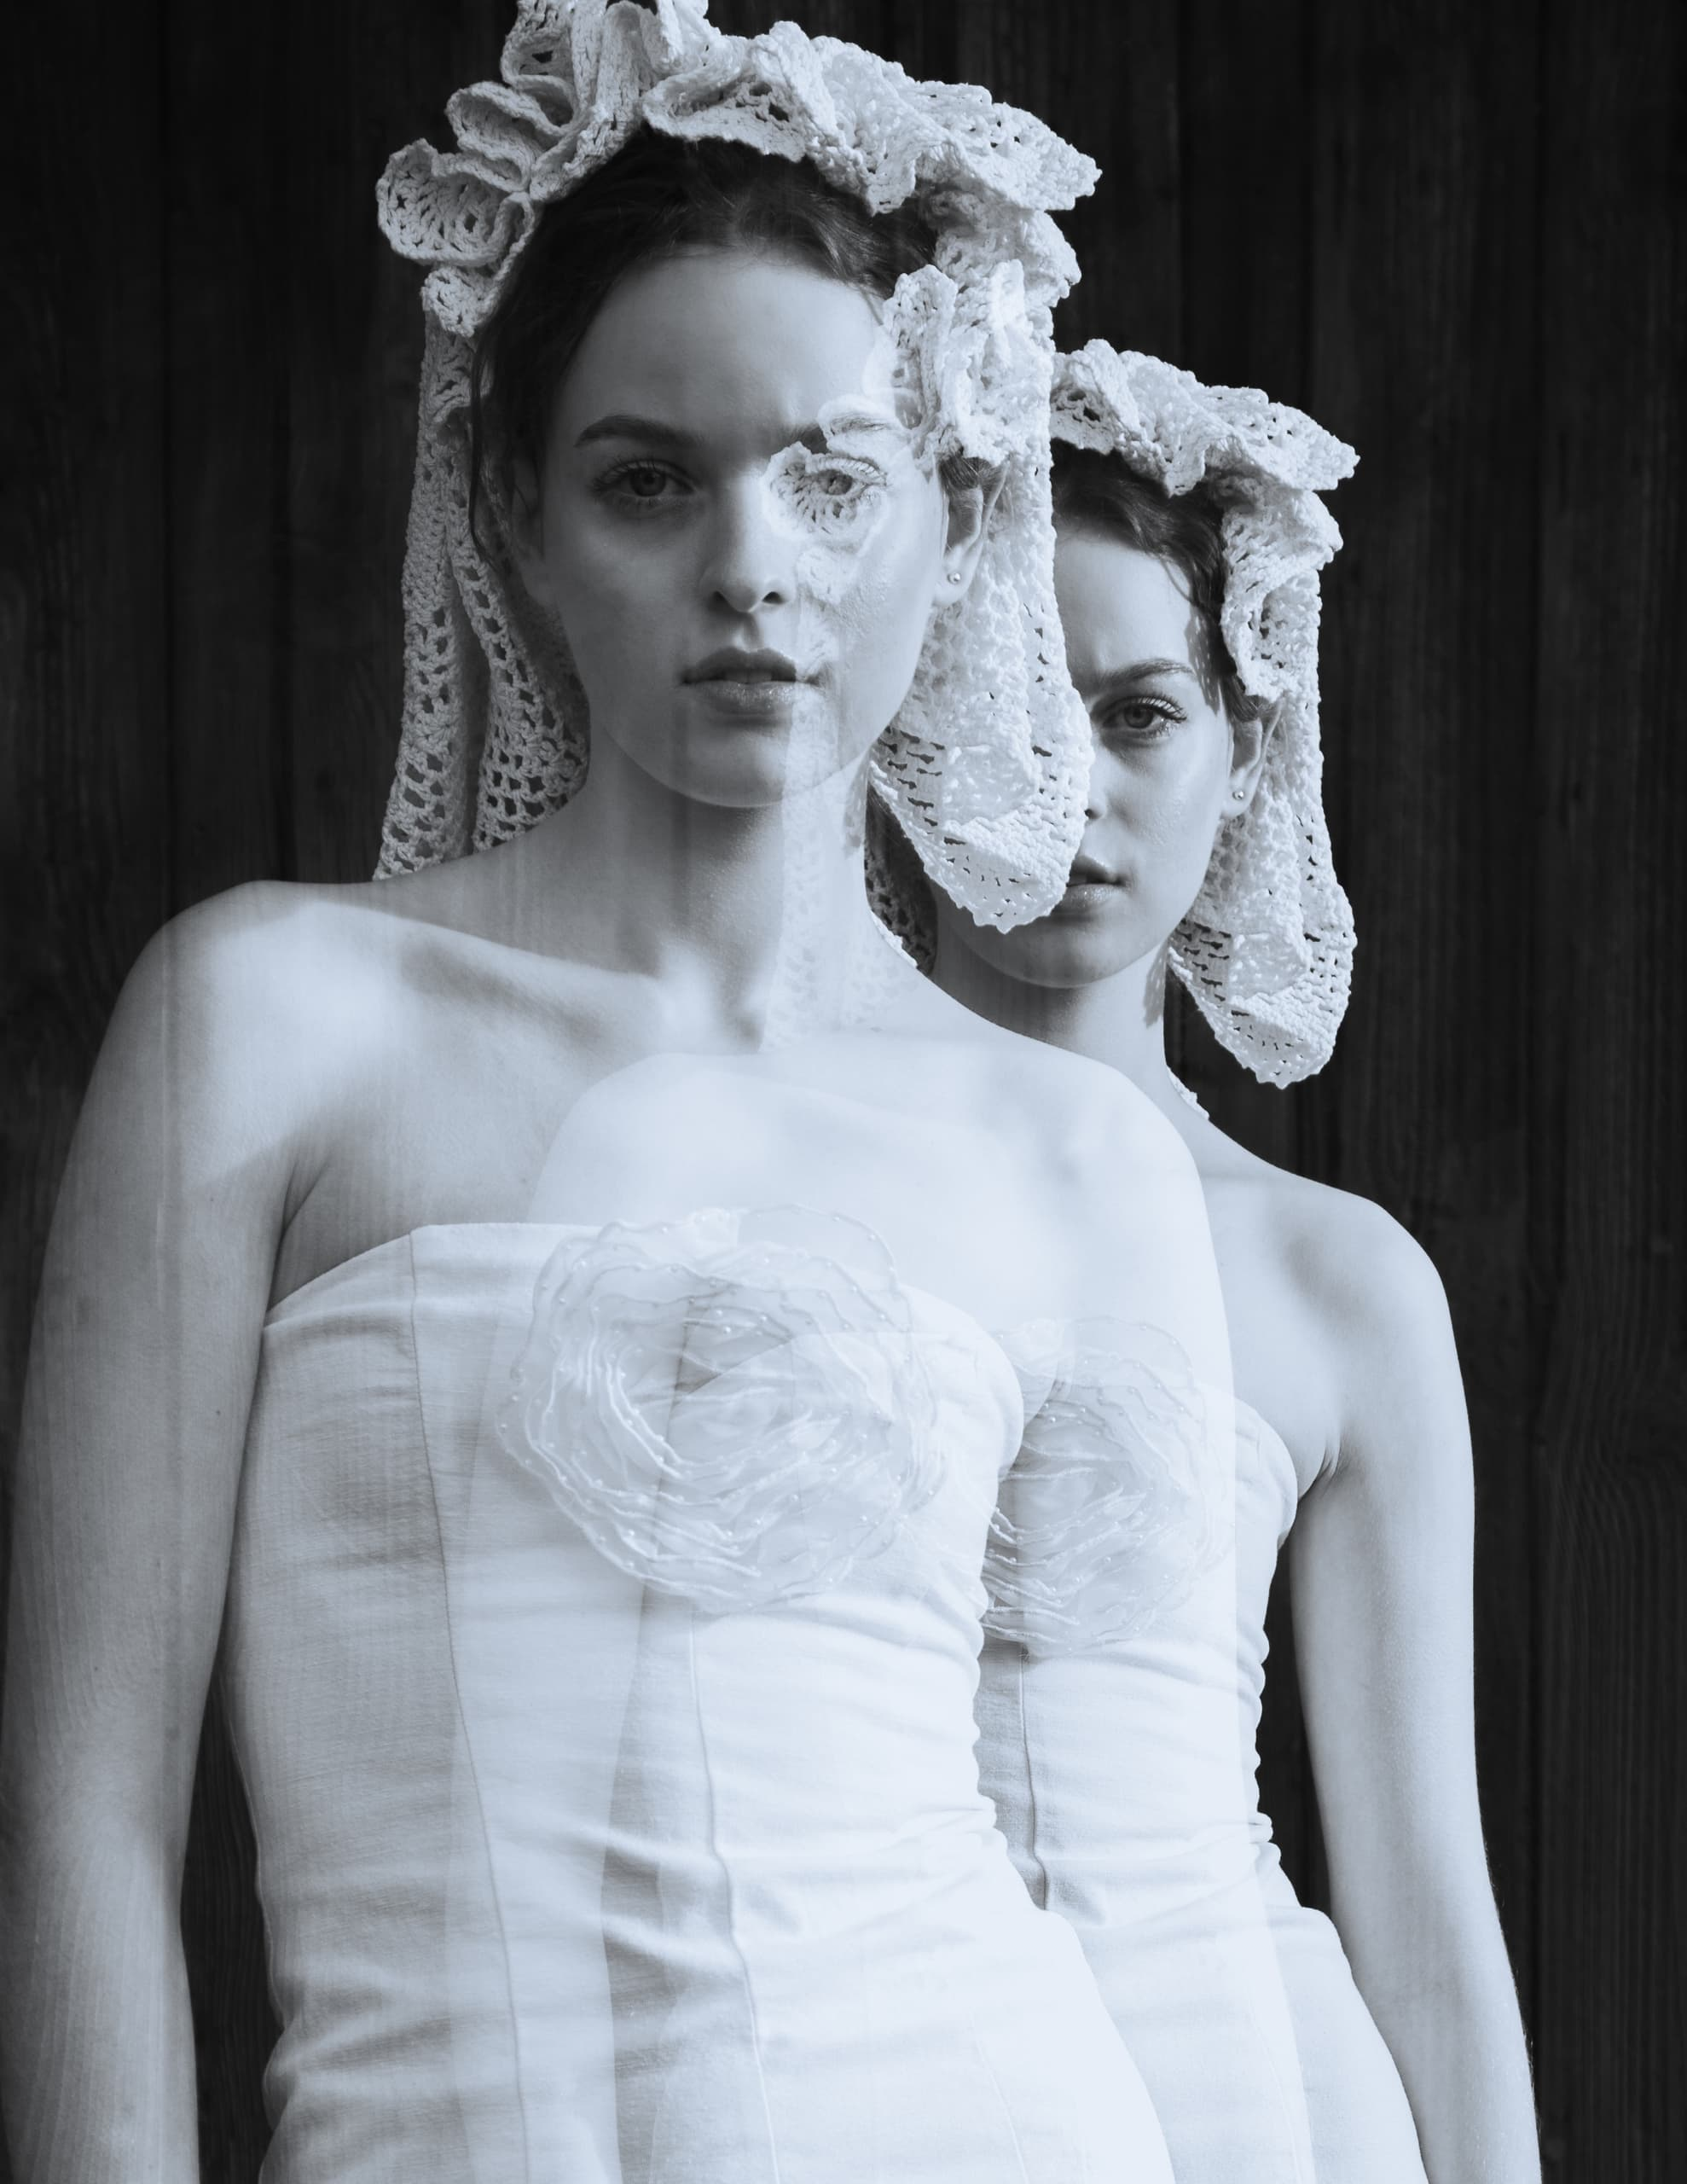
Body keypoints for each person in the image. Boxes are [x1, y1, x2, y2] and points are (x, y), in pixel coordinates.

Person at [0, 12, 1223, 2183]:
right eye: (652, 475)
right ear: (517, 516)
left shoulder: (1069, 1157)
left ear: (954, 523)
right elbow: (89, 1806)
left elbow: (1159, 1898)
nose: (754, 565)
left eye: (832, 476)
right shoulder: (271, 1019)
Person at [921, 341, 1541, 2183]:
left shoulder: (1332, 1278)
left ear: (1246, 744)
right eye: (1003, 698)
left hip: (1258, 2104)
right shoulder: (756, 1175)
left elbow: (1422, 1893)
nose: (1065, 780)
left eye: (1133, 714)